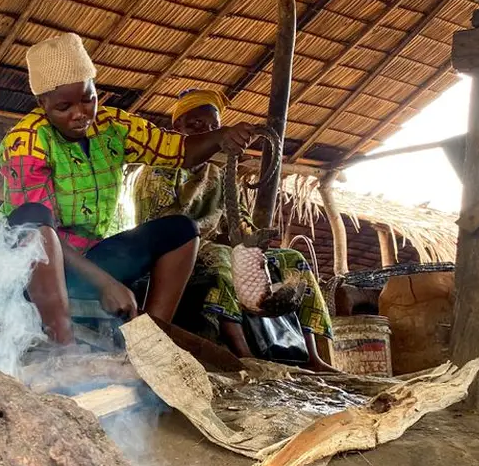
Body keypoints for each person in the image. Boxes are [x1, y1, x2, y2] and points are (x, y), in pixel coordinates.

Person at [0, 33, 256, 345]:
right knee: (33, 220)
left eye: (88, 99)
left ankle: (149, 342)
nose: (80, 114)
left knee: (181, 229)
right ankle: (63, 349)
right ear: (43, 103)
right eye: (64, 106)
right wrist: (104, 283)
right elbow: (36, 227)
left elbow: (178, 150)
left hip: (85, 257)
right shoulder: (27, 140)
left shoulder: (114, 126)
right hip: (24, 267)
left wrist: (220, 137)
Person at [133, 88, 334, 372]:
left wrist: (252, 240)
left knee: (293, 261)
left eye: (214, 127)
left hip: (215, 247)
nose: (207, 133)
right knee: (222, 259)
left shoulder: (219, 172)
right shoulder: (159, 170)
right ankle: (242, 354)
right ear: (177, 127)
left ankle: (312, 356)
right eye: (196, 125)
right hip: (176, 251)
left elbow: (236, 219)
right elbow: (157, 225)